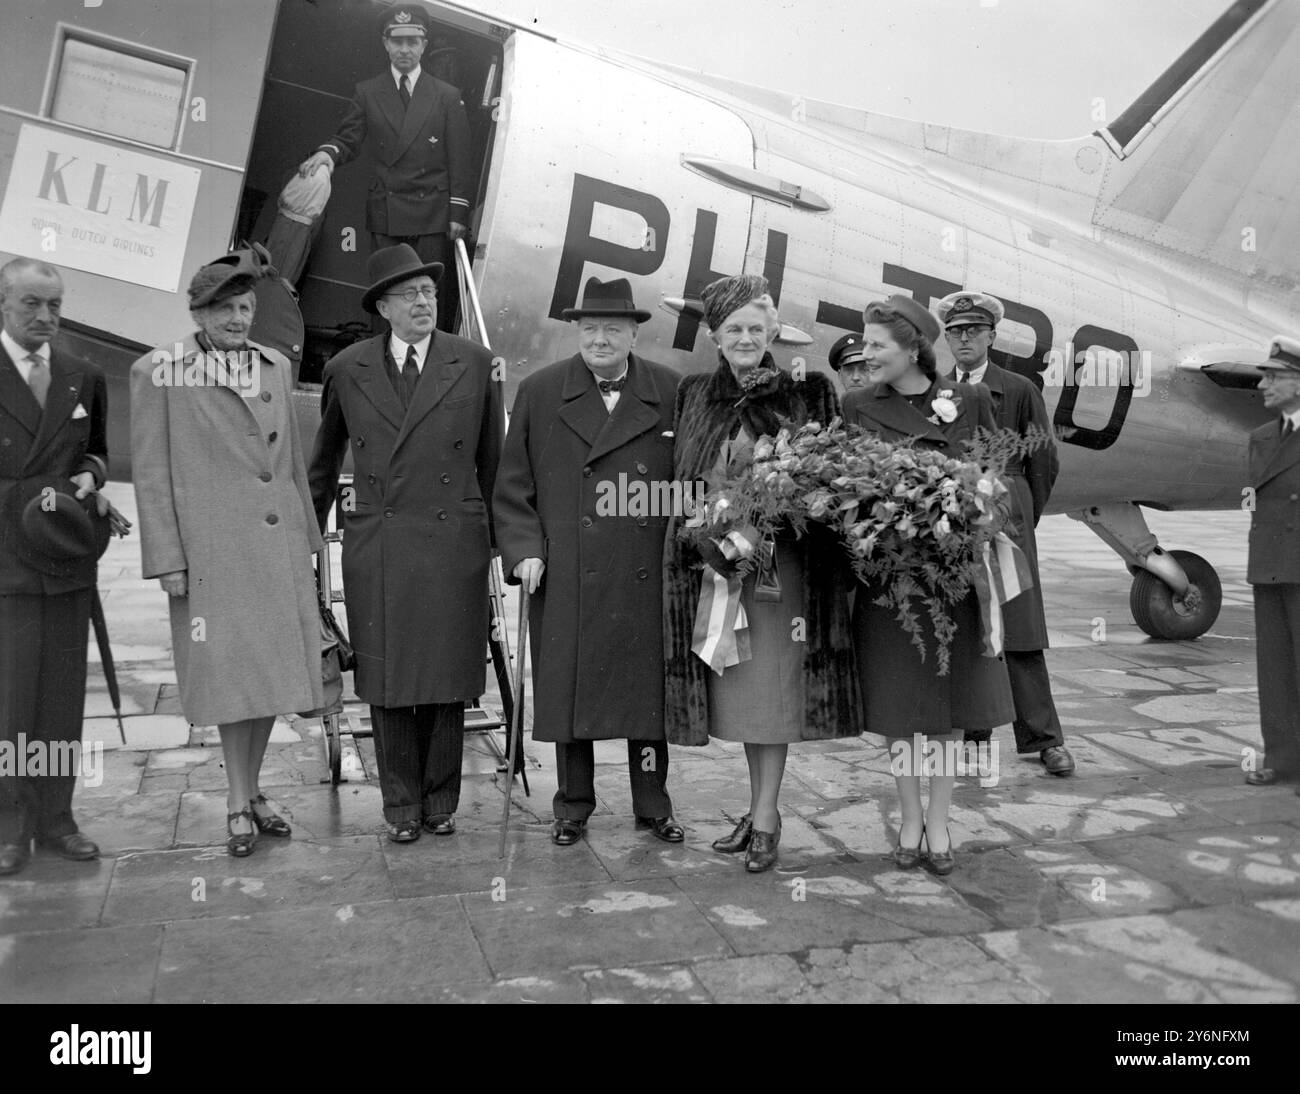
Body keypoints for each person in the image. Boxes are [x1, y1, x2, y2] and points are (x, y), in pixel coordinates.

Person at [664, 274, 861, 872]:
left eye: (756, 327)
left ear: (773, 331)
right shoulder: (695, 392)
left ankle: (768, 820)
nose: (745, 338)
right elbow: (683, 476)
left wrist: (765, 522)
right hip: (718, 570)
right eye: (733, 329)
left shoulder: (809, 391)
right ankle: (756, 810)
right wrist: (702, 530)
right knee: (743, 703)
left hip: (780, 574)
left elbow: (830, 478)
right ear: (714, 336)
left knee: (772, 698)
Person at [131, 251, 323, 857]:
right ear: (199, 311)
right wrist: (167, 558)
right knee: (229, 681)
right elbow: (152, 474)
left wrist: (308, 542)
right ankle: (238, 801)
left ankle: (254, 791)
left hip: (276, 549)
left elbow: (291, 466)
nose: (240, 319)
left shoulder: (272, 366)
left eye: (247, 308)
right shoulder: (160, 371)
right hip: (212, 554)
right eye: (227, 309)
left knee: (268, 681)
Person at [307, 244, 501, 842]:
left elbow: (493, 461)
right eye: (410, 294)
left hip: (453, 542)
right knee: (388, 677)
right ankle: (400, 808)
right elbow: (323, 462)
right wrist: (306, 538)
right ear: (383, 307)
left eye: (429, 293)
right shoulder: (347, 369)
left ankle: (441, 802)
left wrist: (496, 540)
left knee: (448, 675)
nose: (423, 302)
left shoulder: (474, 362)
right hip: (381, 545)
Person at [494, 277, 683, 847]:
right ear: (578, 331)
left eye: (612, 329)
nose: (599, 339)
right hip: (568, 568)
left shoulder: (671, 390)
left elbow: (688, 483)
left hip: (643, 571)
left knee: (645, 700)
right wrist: (524, 551)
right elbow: (513, 485)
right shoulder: (541, 390)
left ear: (632, 334)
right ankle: (572, 805)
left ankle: (653, 803)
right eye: (589, 328)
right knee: (569, 690)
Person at [842, 295, 1014, 876]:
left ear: (914, 346)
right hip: (892, 578)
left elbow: (997, 473)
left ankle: (939, 822)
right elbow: (849, 492)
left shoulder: (969, 399)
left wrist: (977, 499)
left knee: (946, 706)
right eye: (863, 344)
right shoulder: (858, 404)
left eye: (877, 345)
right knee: (900, 705)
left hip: (955, 576)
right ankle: (909, 815)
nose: (866, 355)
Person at [0, 257, 124, 876]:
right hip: (6, 564)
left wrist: (88, 476)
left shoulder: (83, 373)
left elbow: (99, 451)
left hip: (66, 560)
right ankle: (8, 827)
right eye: (31, 304)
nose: (46, 316)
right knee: (10, 699)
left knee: (60, 701)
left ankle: (57, 818)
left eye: (54, 305)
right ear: (3, 302)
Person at [936, 291, 1074, 776]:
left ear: (993, 335)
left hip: (1005, 518)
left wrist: (1019, 513)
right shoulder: (935, 390)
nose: (965, 338)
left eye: (974, 330)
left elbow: (1044, 462)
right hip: (949, 517)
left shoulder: (1017, 389)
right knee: (964, 620)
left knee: (1018, 626)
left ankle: (1044, 738)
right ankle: (973, 731)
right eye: (956, 331)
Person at [298, 3, 472, 332]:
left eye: (412, 42)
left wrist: (457, 214)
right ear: (385, 43)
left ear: (424, 44)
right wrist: (329, 154)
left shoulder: (447, 96)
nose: (404, 49)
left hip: (431, 211)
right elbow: (348, 138)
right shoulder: (367, 92)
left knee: (425, 293)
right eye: (397, 41)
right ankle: (382, 362)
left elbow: (460, 160)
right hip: (386, 209)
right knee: (388, 291)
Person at [1244, 335, 1300, 789]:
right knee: (1275, 668)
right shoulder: (1261, 438)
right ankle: (1281, 759)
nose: (1263, 384)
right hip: (1270, 563)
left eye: (1274, 376)